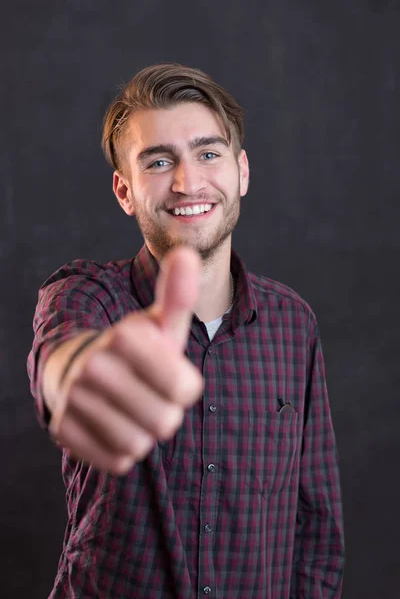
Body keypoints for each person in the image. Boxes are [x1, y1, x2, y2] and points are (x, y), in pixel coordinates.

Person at [27, 63, 345, 598]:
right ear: (124, 191)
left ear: (241, 170)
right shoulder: (85, 297)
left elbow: (315, 530)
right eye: (158, 160)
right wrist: (77, 380)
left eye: (208, 153)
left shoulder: (295, 323)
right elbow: (62, 360)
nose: (187, 181)